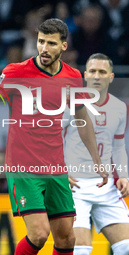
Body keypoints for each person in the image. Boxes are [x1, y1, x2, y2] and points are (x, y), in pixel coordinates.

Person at [0, 18, 107, 255]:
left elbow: (83, 122)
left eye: (51, 43)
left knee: (66, 239)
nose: (44, 48)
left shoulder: (73, 77)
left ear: (64, 46)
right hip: (23, 168)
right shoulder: (16, 72)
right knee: (39, 233)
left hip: (56, 168)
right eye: (41, 41)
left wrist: (97, 161)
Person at [64, 53, 129, 255]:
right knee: (81, 250)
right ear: (85, 75)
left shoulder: (119, 107)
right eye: (92, 71)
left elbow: (118, 146)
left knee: (126, 247)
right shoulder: (70, 103)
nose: (97, 76)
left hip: (105, 186)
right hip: (74, 186)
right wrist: (60, 171)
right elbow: (52, 139)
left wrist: (124, 174)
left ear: (111, 76)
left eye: (102, 72)